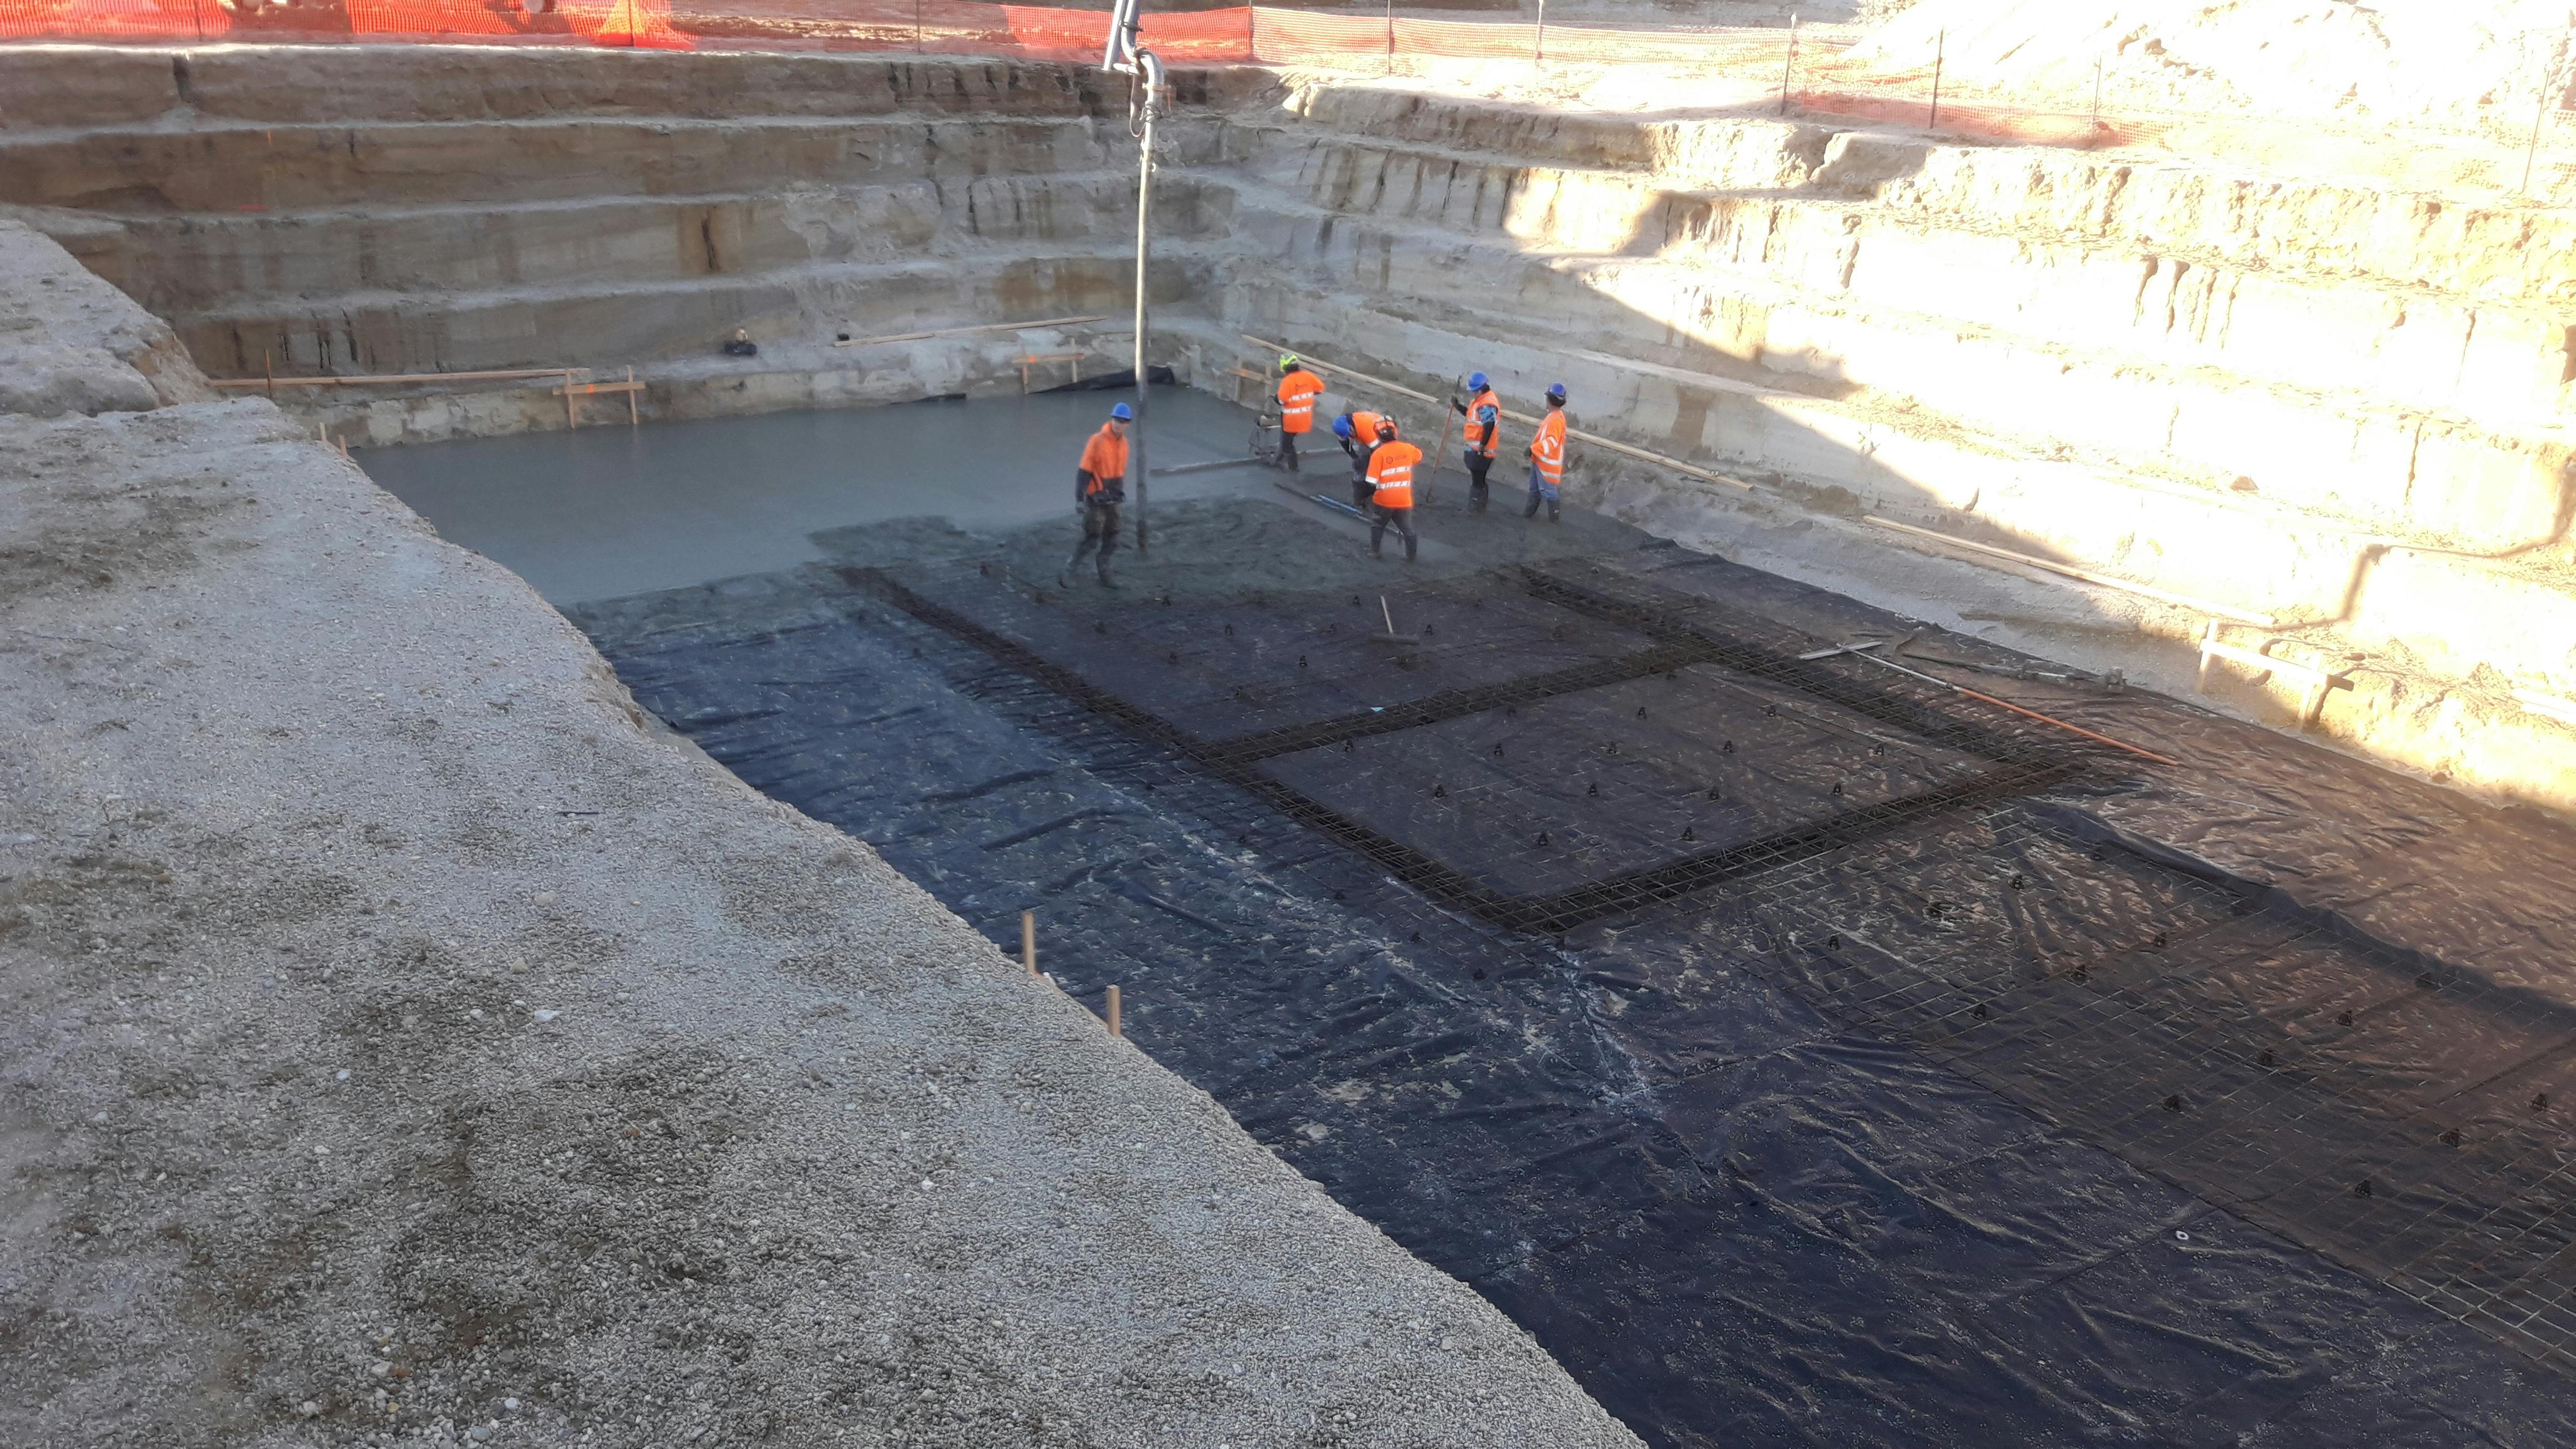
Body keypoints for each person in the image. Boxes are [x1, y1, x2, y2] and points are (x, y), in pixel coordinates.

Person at [1058, 402, 1131, 588]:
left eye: (1122, 421)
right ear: (1112, 419)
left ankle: (1104, 571)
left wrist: (1119, 491)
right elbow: (1084, 471)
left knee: (1113, 536)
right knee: (1091, 538)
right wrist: (1079, 498)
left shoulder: (1124, 445)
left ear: (1127, 424)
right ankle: (1069, 570)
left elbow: (1119, 472)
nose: (1118, 424)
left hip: (1112, 498)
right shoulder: (1097, 441)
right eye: (1116, 420)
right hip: (1096, 498)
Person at [1364, 418, 1421, 562]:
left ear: (1378, 435)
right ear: (1395, 432)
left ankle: (1374, 552)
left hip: (1384, 500)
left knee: (1378, 526)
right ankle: (1411, 557)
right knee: (1407, 529)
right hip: (1404, 499)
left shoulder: (1379, 454)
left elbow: (1371, 481)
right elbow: (1419, 456)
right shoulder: (1408, 448)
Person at [1451, 371, 1501, 512]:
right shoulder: (1481, 401)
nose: (1473, 394)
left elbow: (1489, 424)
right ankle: (1480, 505)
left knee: (1477, 480)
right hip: (1478, 449)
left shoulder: (1487, 404)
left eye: (1475, 391)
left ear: (1481, 389)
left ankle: (1475, 507)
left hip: (1482, 451)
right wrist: (1458, 406)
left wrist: (1481, 446)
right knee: (1479, 479)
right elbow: (1471, 415)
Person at [1525, 382, 1568, 524]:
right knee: (1535, 490)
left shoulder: (1556, 420)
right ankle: (1528, 515)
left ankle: (1554, 521)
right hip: (1540, 460)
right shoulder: (1554, 416)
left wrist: (1533, 449)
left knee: (1549, 492)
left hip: (1547, 464)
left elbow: (1551, 442)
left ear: (1549, 399)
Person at [1276, 354, 1325, 474]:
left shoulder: (1288, 381)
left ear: (1284, 368)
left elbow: (1281, 400)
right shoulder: (1308, 376)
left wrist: (1275, 398)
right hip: (1305, 418)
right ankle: (1278, 458)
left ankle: (1293, 469)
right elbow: (1319, 389)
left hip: (1290, 419)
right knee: (1287, 440)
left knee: (1287, 444)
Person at [1334, 403, 1387, 512]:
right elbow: (1344, 441)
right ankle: (1360, 498)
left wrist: (1372, 469)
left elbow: (1377, 451)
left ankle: (1374, 494)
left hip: (1382, 434)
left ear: (1351, 427)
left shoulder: (1365, 429)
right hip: (1368, 434)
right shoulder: (1343, 425)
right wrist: (1354, 457)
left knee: (1371, 467)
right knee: (1360, 464)